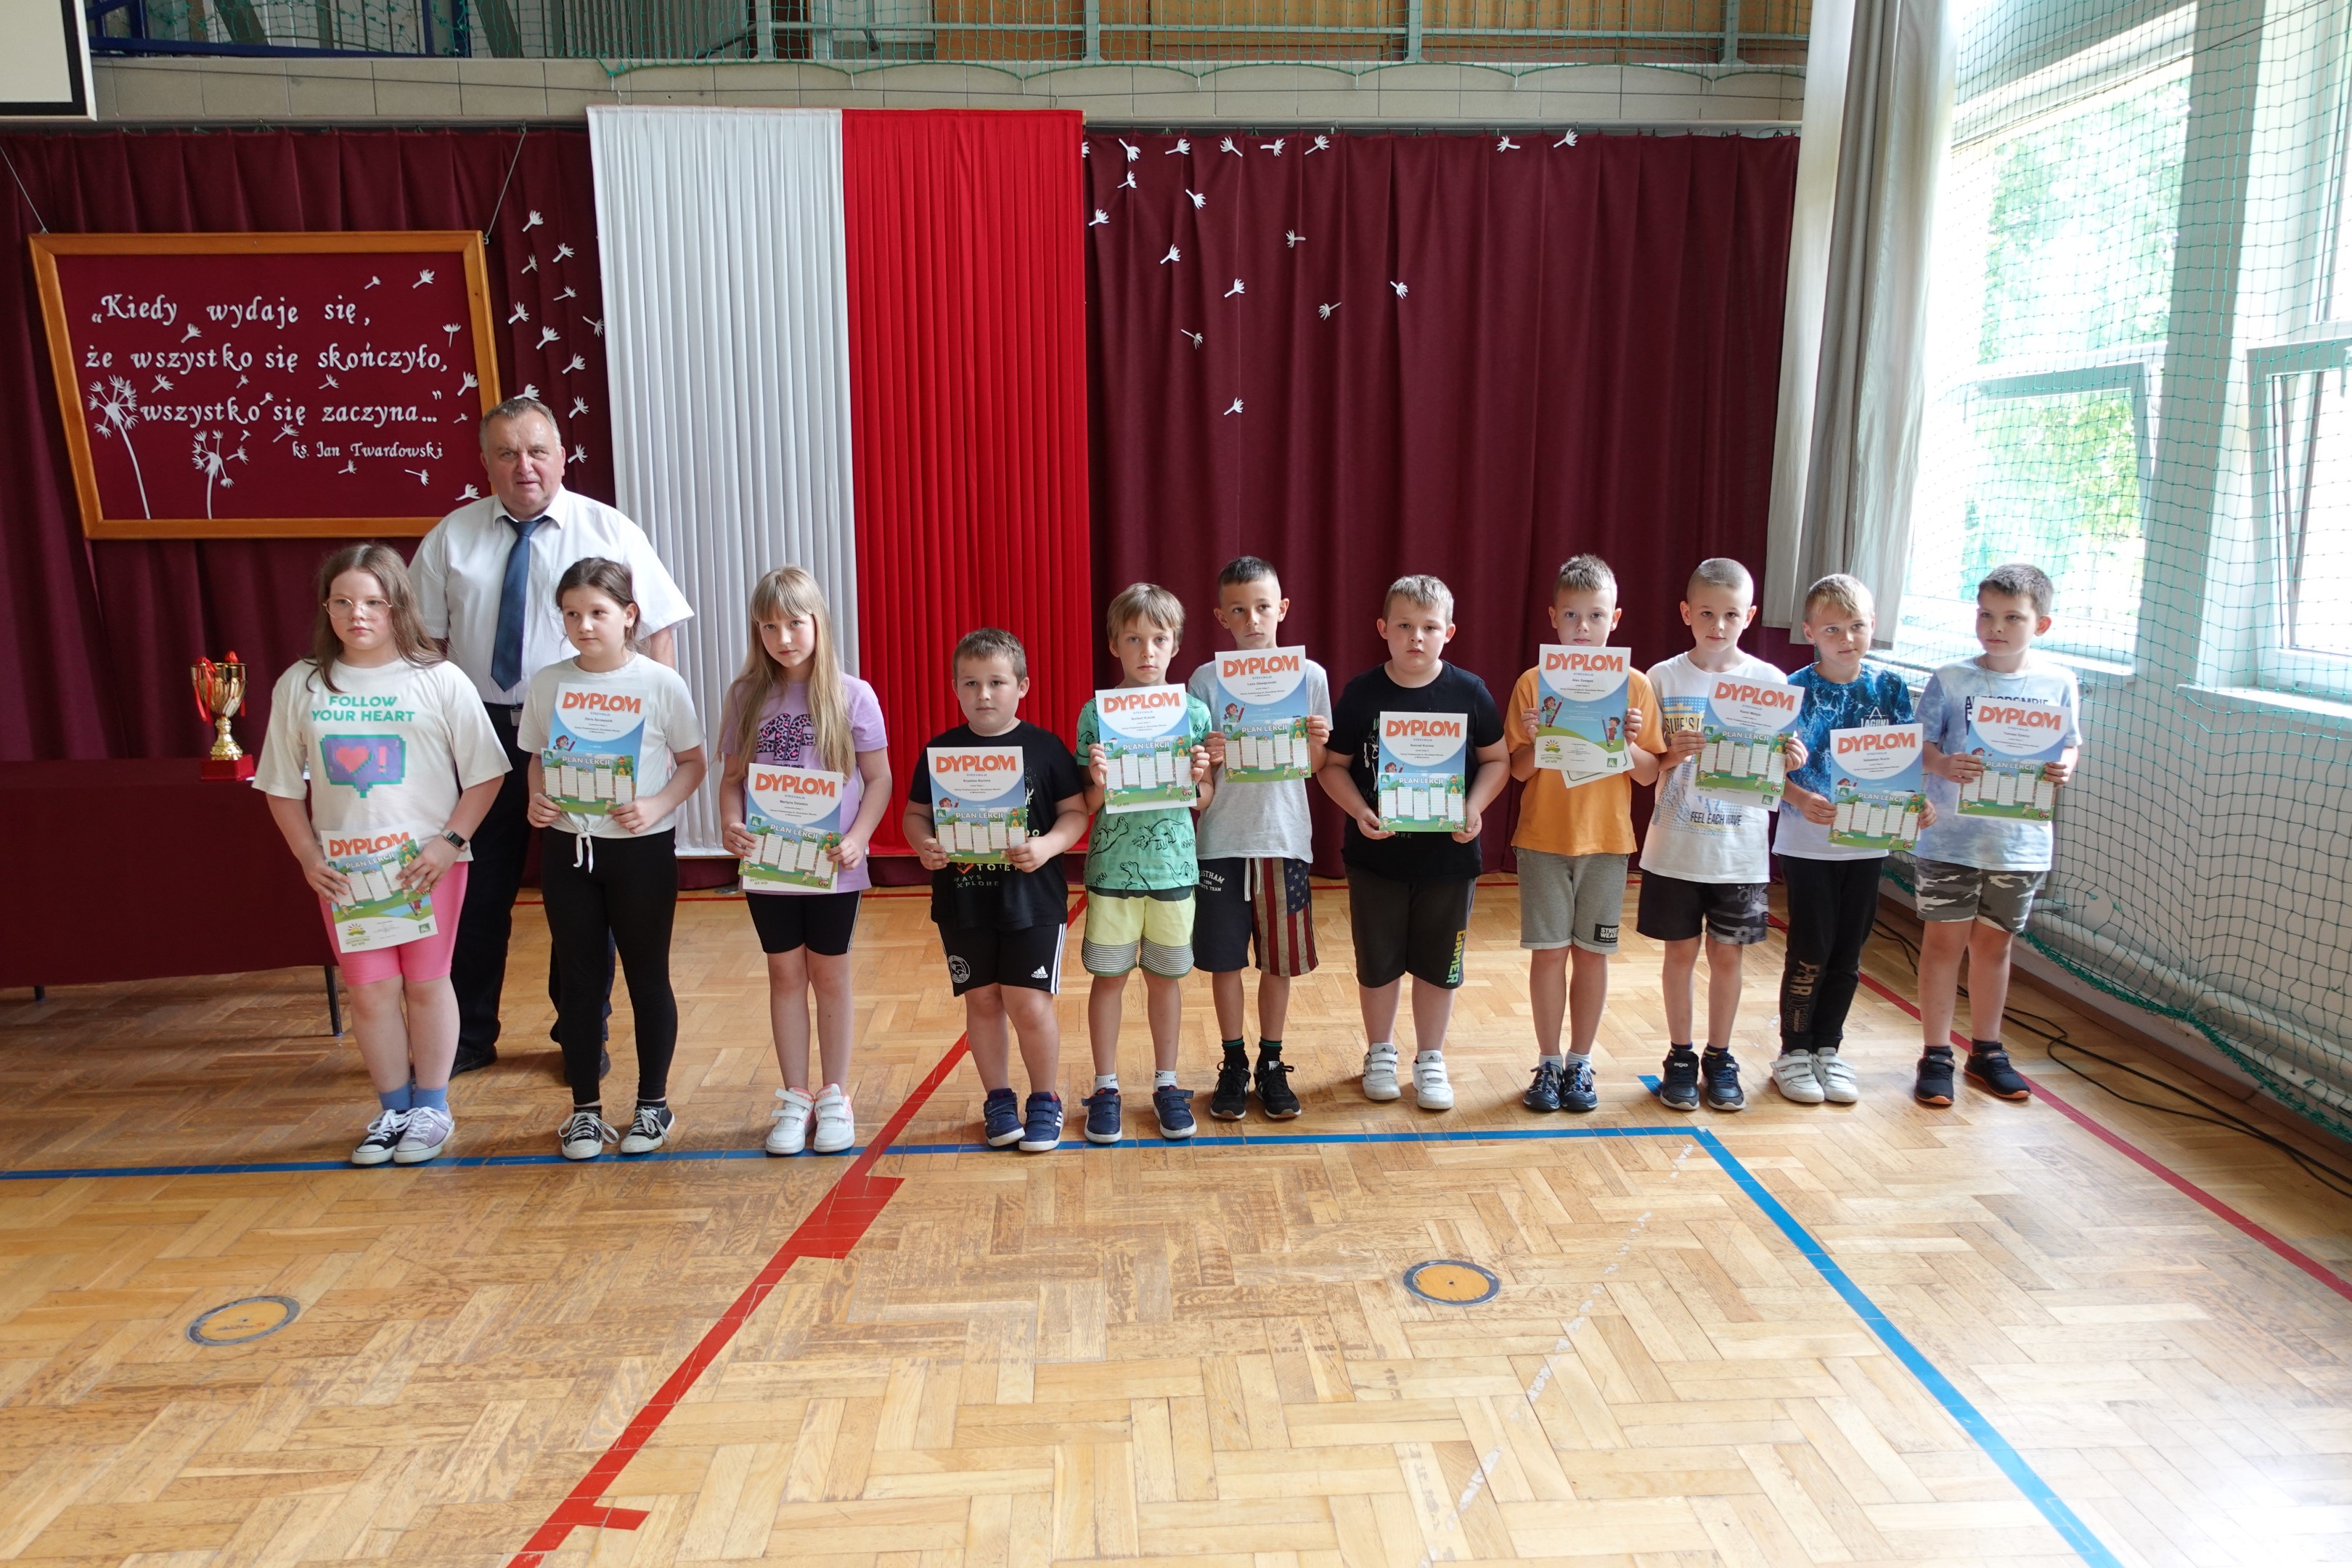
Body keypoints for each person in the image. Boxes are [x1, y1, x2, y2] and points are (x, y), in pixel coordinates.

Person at [411, 396, 693, 1075]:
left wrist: (650, 743)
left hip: (593, 736)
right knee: (479, 892)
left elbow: (657, 632)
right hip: (479, 736)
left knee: (585, 889)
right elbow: (423, 646)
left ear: (562, 456)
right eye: (506, 453)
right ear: (485, 462)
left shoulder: (609, 528)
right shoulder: (451, 537)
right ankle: (469, 1036)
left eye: (537, 451)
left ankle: (580, 1035)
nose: (524, 466)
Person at [256, 544, 508, 1166]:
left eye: (372, 602)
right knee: (369, 993)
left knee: (426, 983)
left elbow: (486, 774)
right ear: (326, 609)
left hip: (426, 865)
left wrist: (449, 843)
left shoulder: (439, 678)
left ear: (398, 606)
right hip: (346, 872)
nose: (358, 614)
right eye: (343, 602)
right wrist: (308, 856)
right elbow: (281, 787)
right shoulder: (302, 683)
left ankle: (432, 1108)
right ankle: (392, 1109)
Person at [520, 558, 707, 1160]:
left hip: (641, 854)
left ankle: (653, 1104)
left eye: (597, 612)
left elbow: (693, 764)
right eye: (571, 614)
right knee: (578, 982)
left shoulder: (660, 683)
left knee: (647, 977)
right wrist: (537, 798)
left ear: (628, 616)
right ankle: (584, 1111)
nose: (584, 625)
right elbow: (538, 757)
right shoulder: (548, 682)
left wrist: (655, 806)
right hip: (568, 851)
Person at [1317, 575, 1509, 1111]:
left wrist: (1474, 807)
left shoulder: (1469, 691)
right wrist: (1359, 811)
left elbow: (1497, 760)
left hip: (1449, 859)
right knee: (1377, 962)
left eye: (1429, 627)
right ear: (1383, 629)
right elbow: (1332, 767)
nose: (1416, 638)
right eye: (1404, 626)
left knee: (1438, 965)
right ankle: (1380, 1052)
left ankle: (1430, 1057)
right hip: (1375, 858)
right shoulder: (1362, 692)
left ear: (1449, 632)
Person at [717, 567, 891, 1156]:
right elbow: (732, 779)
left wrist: (860, 837)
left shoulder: (853, 694)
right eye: (769, 627)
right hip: (769, 866)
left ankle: (834, 1094)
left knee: (830, 975)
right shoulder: (745, 695)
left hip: (834, 867)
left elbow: (879, 778)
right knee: (785, 975)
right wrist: (730, 823)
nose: (783, 638)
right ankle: (796, 1096)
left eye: (794, 623)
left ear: (818, 622)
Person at [902, 628, 1090, 1153]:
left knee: (1028, 1004)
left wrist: (1049, 846)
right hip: (963, 901)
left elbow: (1076, 812)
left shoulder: (1045, 748)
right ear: (956, 689)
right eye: (971, 683)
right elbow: (915, 815)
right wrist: (923, 845)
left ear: (1022, 686)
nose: (983, 694)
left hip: (1033, 902)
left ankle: (1045, 1099)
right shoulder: (941, 750)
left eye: (997, 682)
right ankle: (998, 1099)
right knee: (983, 1001)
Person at [1638, 558, 1805, 1114]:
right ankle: (1681, 1056)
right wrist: (1669, 753)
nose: (1718, 625)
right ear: (1686, 613)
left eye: (1731, 614)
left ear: (1749, 616)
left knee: (1728, 958)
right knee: (1680, 956)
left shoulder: (1770, 682)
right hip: (1674, 849)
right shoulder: (1662, 678)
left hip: (1740, 854)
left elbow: (1777, 766)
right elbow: (1646, 768)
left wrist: (1792, 757)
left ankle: (1720, 1055)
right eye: (1707, 613)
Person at [1912, 563, 2081, 1106]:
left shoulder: (2059, 682)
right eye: (1987, 615)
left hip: (2018, 844)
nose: (1997, 627)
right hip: (1951, 840)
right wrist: (1942, 764)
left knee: (1994, 946)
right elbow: (1919, 745)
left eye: (2013, 618)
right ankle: (1936, 1053)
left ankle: (1986, 1051)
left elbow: (2070, 743)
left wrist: (2065, 767)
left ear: (2042, 624)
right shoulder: (1951, 678)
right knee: (1944, 944)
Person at [1502, 555, 1664, 1114]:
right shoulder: (1532, 683)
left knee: (1592, 955)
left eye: (1596, 615)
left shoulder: (1635, 686)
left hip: (1607, 843)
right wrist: (1531, 739)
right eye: (1571, 615)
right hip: (1543, 840)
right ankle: (1548, 1062)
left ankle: (1580, 1062)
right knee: (1549, 955)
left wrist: (1631, 742)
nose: (1583, 627)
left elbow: (1648, 774)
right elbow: (1517, 771)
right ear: (1553, 618)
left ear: (1614, 619)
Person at [1772, 573, 1932, 1105]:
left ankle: (1828, 1048)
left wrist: (1918, 803)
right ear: (1809, 632)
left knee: (1848, 951)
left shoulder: (1889, 687)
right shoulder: (1792, 689)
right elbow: (1763, 770)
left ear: (1874, 627)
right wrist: (1798, 796)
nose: (1847, 639)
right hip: (1808, 844)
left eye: (1857, 627)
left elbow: (1904, 760)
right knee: (1811, 948)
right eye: (1833, 629)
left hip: (1868, 843)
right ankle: (1793, 1051)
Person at [1187, 557, 1331, 1122]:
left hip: (1283, 837)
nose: (1253, 619)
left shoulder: (1309, 676)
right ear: (1221, 616)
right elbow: (1197, 776)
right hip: (1222, 840)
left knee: (1279, 961)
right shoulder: (1205, 680)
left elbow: (1314, 765)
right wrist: (1211, 757)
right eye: (1239, 610)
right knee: (1225, 960)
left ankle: (1271, 1061)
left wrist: (1315, 740)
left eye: (1263, 607)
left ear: (1282, 609)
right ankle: (1233, 1062)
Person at [1075, 584, 1216, 1144]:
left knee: (1165, 979)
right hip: (1112, 872)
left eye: (1158, 639)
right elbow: (1088, 802)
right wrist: (1098, 779)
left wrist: (1199, 777)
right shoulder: (1096, 714)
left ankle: (1167, 1083)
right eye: (1134, 639)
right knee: (1109, 979)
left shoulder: (1193, 713)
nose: (1147, 650)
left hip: (1174, 870)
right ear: (1114, 644)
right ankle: (1105, 1086)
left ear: (1175, 644)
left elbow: (1203, 799)